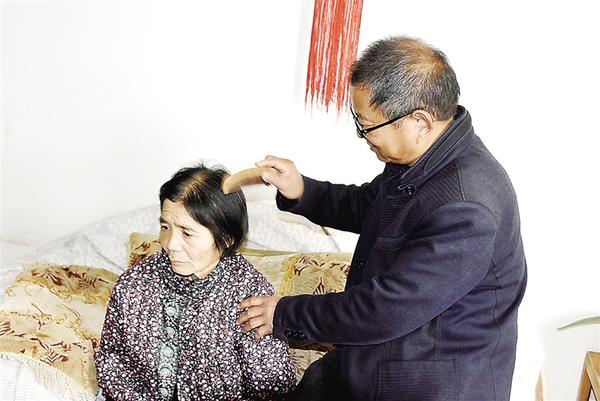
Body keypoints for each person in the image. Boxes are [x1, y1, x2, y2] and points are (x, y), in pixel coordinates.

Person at [237, 36, 527, 401]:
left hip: (428, 384)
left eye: (368, 126)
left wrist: (284, 314)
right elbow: (369, 206)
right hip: (379, 358)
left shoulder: (467, 207)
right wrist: (301, 190)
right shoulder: (426, 158)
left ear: (419, 121)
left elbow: (385, 309)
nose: (363, 136)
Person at [95, 164, 296, 401]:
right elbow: (112, 358)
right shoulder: (136, 283)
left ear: (225, 239)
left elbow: (273, 387)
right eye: (165, 227)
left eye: (187, 233)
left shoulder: (250, 296)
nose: (170, 244)